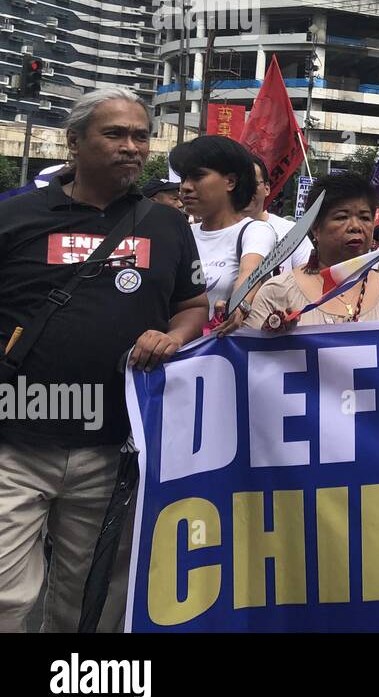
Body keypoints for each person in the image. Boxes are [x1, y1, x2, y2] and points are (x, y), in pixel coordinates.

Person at [0, 88, 208, 633]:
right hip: (14, 443)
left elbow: (192, 306)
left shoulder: (166, 226)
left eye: (140, 136)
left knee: (85, 602)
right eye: (115, 134)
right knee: (6, 596)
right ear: (74, 142)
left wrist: (175, 336)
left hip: (113, 449)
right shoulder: (15, 216)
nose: (132, 147)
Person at [247, 172, 379, 330]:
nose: (355, 226)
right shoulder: (278, 291)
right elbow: (252, 353)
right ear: (316, 228)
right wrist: (271, 338)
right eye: (341, 217)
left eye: (364, 217)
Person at [170, 135, 277, 335]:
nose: (185, 186)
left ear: (230, 182)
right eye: (184, 178)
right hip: (179, 354)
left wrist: (239, 305)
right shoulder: (182, 233)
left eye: (197, 176)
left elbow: (251, 272)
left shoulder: (255, 230)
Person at [246, 155, 312, 272]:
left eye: (252, 183)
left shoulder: (292, 233)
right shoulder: (211, 231)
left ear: (267, 189)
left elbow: (309, 279)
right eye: (237, 183)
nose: (244, 190)